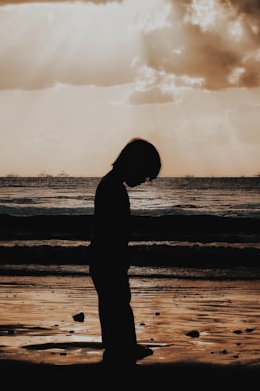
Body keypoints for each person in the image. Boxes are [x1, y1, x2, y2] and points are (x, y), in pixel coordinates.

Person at [89, 137, 161, 365]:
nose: (143, 181)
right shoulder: (112, 188)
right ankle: (122, 347)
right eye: (145, 175)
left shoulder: (110, 185)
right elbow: (112, 230)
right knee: (117, 303)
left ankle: (119, 346)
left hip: (103, 257)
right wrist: (120, 255)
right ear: (134, 165)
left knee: (115, 303)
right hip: (108, 257)